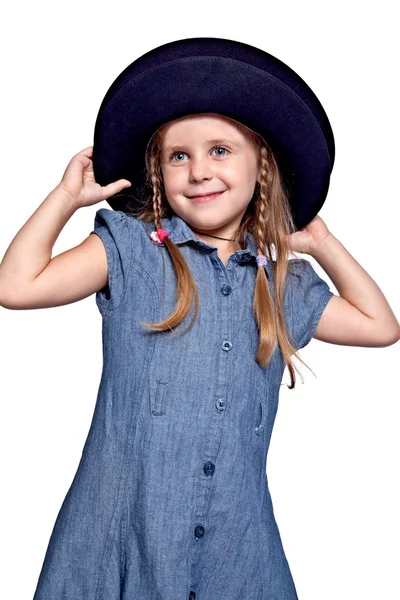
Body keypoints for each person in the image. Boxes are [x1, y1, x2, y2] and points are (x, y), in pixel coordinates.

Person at [0, 38, 399, 600]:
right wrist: (66, 198)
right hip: (120, 536)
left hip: (234, 549)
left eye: (220, 150)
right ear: (158, 175)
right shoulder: (133, 249)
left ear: (260, 167)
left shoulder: (278, 283)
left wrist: (323, 243)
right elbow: (16, 286)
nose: (198, 171)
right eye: (178, 156)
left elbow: (381, 327)